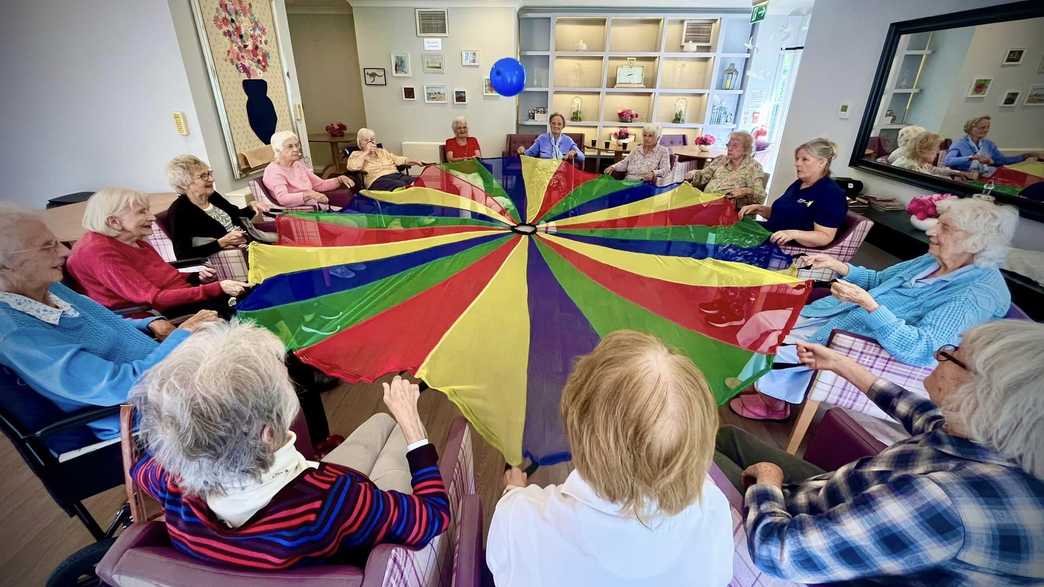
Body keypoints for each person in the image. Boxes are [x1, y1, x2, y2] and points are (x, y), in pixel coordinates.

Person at [717, 319, 1044, 585]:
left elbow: (779, 554)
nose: (939, 355)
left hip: (793, 551)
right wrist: (841, 364)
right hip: (837, 497)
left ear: (981, 393)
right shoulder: (999, 441)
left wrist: (767, 483)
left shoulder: (942, 501)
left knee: (695, 456)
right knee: (730, 437)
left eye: (953, 353)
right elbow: (918, 411)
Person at [131, 322, 450, 570]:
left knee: (381, 423)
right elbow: (434, 517)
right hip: (340, 517)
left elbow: (140, 469)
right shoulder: (333, 498)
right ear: (267, 434)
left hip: (291, 507)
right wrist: (413, 426)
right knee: (394, 426)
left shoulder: (174, 484)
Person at [730, 197, 1017, 421]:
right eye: (937, 222)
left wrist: (868, 304)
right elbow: (881, 280)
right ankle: (764, 383)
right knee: (759, 322)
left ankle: (775, 401)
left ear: (975, 242)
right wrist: (839, 266)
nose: (931, 229)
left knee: (772, 339)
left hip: (866, 346)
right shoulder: (932, 261)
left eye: (945, 227)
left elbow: (922, 349)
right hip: (843, 318)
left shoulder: (975, 293)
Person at [487, 331, 733, 586]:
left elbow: (501, 565)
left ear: (577, 433)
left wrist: (513, 492)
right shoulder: (713, 509)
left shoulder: (521, 521)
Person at [0, 203, 219, 446]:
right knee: (248, 385)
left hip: (167, 381)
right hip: (146, 417)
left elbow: (107, 323)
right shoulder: (17, 332)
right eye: (47, 247)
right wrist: (183, 335)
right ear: (4, 265)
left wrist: (151, 323)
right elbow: (119, 387)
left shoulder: (50, 287)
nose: (64, 252)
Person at [67, 187, 247, 317]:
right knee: (246, 311)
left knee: (249, 293)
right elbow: (155, 299)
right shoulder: (99, 252)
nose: (152, 217)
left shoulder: (131, 238)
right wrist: (215, 288)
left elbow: (161, 275)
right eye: (142, 212)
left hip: (181, 298)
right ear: (114, 222)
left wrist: (196, 278)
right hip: (157, 314)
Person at [738, 138, 846, 247]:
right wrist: (760, 209)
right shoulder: (799, 184)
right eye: (797, 159)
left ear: (822, 162)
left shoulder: (832, 194)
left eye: (804, 159)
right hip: (768, 233)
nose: (797, 163)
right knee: (728, 225)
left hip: (785, 245)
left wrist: (793, 234)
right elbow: (784, 215)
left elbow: (825, 236)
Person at [164, 155, 270, 261]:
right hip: (234, 259)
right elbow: (183, 255)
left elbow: (236, 216)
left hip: (253, 246)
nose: (212, 179)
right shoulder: (179, 212)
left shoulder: (213, 196)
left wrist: (252, 207)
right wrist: (221, 242)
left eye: (209, 173)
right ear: (184, 184)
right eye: (203, 176)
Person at [263, 131, 355, 207]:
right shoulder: (274, 171)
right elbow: (283, 199)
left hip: (315, 207)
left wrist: (339, 179)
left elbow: (319, 185)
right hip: (298, 213)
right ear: (278, 150)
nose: (296, 149)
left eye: (297, 145)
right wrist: (309, 194)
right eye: (290, 146)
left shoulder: (297, 165)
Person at [686, 130, 767, 208]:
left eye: (735, 145)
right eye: (729, 145)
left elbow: (760, 197)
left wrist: (746, 191)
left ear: (746, 149)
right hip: (704, 202)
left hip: (728, 212)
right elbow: (703, 176)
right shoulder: (721, 160)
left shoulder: (753, 167)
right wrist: (694, 174)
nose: (730, 148)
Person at [943, 115, 1040, 175]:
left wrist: (1025, 156)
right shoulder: (960, 144)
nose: (985, 130)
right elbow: (948, 161)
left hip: (986, 176)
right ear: (970, 128)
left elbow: (1003, 161)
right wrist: (971, 157)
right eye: (982, 127)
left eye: (987, 127)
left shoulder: (988, 145)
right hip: (965, 178)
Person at [346, 128, 424, 191]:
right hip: (377, 179)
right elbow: (353, 167)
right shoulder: (356, 154)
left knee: (418, 182)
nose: (370, 142)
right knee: (401, 186)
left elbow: (397, 159)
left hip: (395, 174)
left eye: (372, 139)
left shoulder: (382, 151)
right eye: (366, 140)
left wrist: (414, 161)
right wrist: (366, 152)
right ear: (360, 142)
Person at [603, 123, 671, 183]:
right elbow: (625, 163)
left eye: (650, 136)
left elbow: (666, 170)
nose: (646, 138)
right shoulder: (636, 149)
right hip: (627, 181)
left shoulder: (663, 151)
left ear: (658, 137)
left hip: (645, 184)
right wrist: (613, 167)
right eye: (644, 135)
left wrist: (654, 173)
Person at [893, 131, 975, 179]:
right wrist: (949, 180)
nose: (938, 152)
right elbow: (930, 177)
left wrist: (957, 173)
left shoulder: (919, 162)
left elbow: (933, 170)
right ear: (923, 150)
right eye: (936, 149)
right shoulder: (909, 166)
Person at [517, 112, 585, 162]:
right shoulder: (542, 139)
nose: (556, 126)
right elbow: (528, 154)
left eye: (559, 124)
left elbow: (582, 157)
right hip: (544, 172)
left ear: (563, 126)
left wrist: (575, 153)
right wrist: (522, 151)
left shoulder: (568, 140)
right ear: (550, 124)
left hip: (562, 172)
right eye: (553, 123)